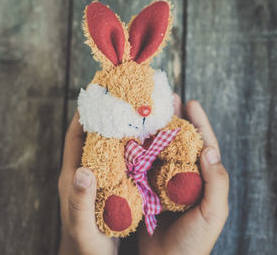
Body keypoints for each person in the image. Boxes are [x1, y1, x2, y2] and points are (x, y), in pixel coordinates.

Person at [58, 94, 229, 255]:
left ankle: (176, 183)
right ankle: (118, 205)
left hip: (154, 153)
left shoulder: (157, 122)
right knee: (109, 183)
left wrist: (74, 246)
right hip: (118, 171)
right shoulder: (107, 131)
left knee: (183, 146)